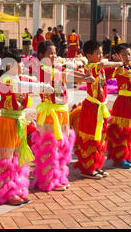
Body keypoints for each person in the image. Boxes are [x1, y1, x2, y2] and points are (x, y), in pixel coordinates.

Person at [0, 49, 52, 205]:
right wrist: (42, 87)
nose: (22, 67)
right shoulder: (6, 79)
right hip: (7, 123)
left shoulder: (17, 77)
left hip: (19, 122)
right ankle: (5, 192)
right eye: (19, 64)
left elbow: (29, 81)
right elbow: (21, 86)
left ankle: (17, 189)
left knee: (18, 158)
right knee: (6, 158)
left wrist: (42, 81)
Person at [31, 40, 95, 192]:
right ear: (41, 56)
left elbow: (68, 72)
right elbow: (65, 75)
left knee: (60, 146)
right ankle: (47, 180)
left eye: (54, 53)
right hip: (50, 114)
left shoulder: (54, 68)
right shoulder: (44, 69)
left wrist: (84, 76)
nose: (53, 56)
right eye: (49, 53)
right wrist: (84, 78)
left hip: (61, 112)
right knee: (50, 147)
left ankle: (57, 176)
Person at [74, 40, 123, 179]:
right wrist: (119, 63)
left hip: (99, 108)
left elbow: (108, 71)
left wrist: (118, 66)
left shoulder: (100, 69)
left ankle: (96, 165)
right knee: (91, 137)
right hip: (92, 108)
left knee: (100, 137)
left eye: (101, 52)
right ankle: (87, 168)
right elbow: (103, 64)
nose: (101, 55)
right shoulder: (93, 66)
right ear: (89, 56)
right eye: (98, 53)